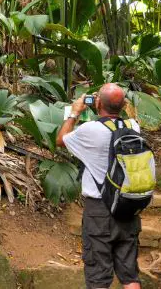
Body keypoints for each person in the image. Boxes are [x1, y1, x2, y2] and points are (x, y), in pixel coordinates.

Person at [56, 83, 142, 289]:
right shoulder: (134, 126)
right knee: (130, 274)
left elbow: (61, 140)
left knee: (98, 276)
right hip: (128, 206)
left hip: (99, 211)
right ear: (124, 105)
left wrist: (75, 113)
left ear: (98, 104)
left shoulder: (90, 130)